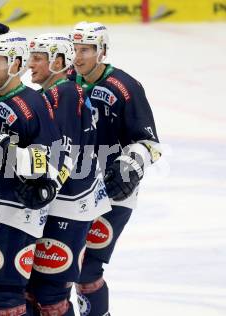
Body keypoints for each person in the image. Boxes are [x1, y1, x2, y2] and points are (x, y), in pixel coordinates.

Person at [0, 32, 63, 316]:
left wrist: (4, 147)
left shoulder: (33, 104)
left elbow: (50, 159)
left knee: (8, 298)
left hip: (19, 212)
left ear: (16, 63)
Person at [68, 22, 162, 316]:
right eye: (75, 49)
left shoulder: (126, 87)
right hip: (74, 190)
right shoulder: (67, 82)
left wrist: (129, 166)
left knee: (87, 271)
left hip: (113, 193)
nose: (78, 57)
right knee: (62, 269)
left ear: (102, 51)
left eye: (86, 50)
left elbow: (149, 143)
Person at [24, 33, 111, 315]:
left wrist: (44, 188)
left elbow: (65, 153)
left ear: (58, 62)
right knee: (37, 290)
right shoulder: (51, 94)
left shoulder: (66, 93)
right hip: (61, 203)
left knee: (51, 296)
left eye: (37, 58)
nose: (29, 65)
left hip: (70, 205)